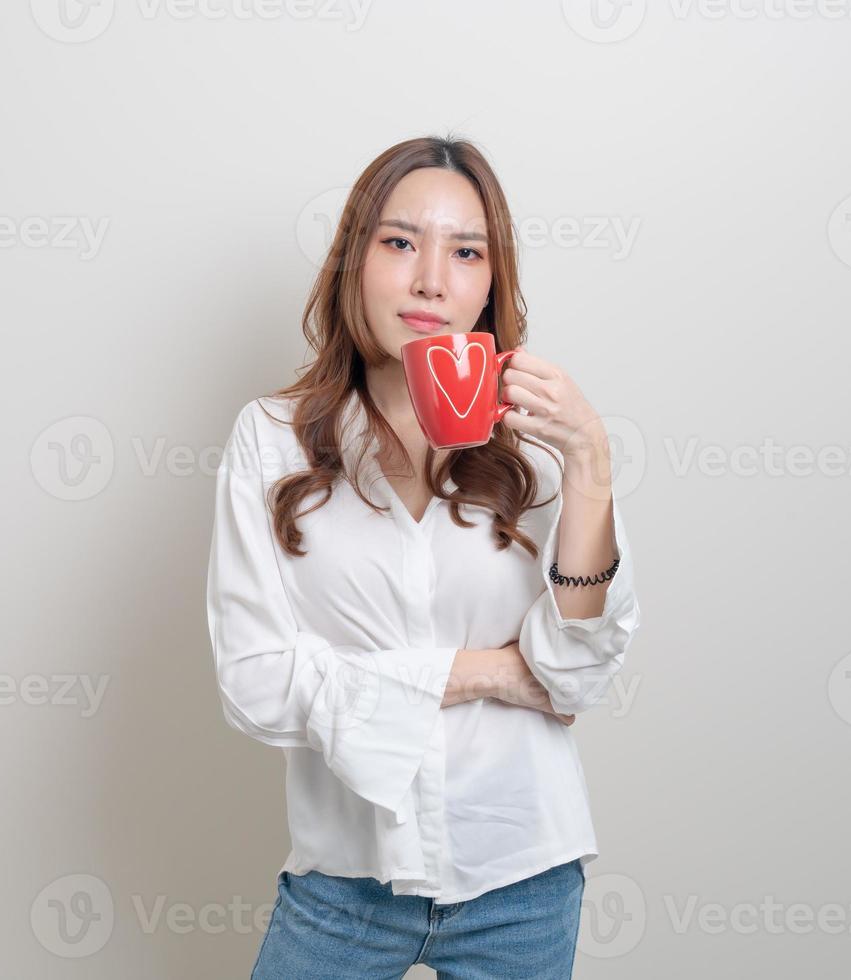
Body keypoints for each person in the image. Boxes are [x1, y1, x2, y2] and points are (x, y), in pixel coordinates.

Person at [205, 134, 641, 979]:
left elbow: (578, 674)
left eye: (465, 251)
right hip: (344, 883)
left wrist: (591, 461)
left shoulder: (545, 450)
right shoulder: (269, 441)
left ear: (490, 281)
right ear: (353, 261)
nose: (430, 279)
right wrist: (489, 673)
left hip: (523, 877)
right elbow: (255, 684)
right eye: (400, 242)